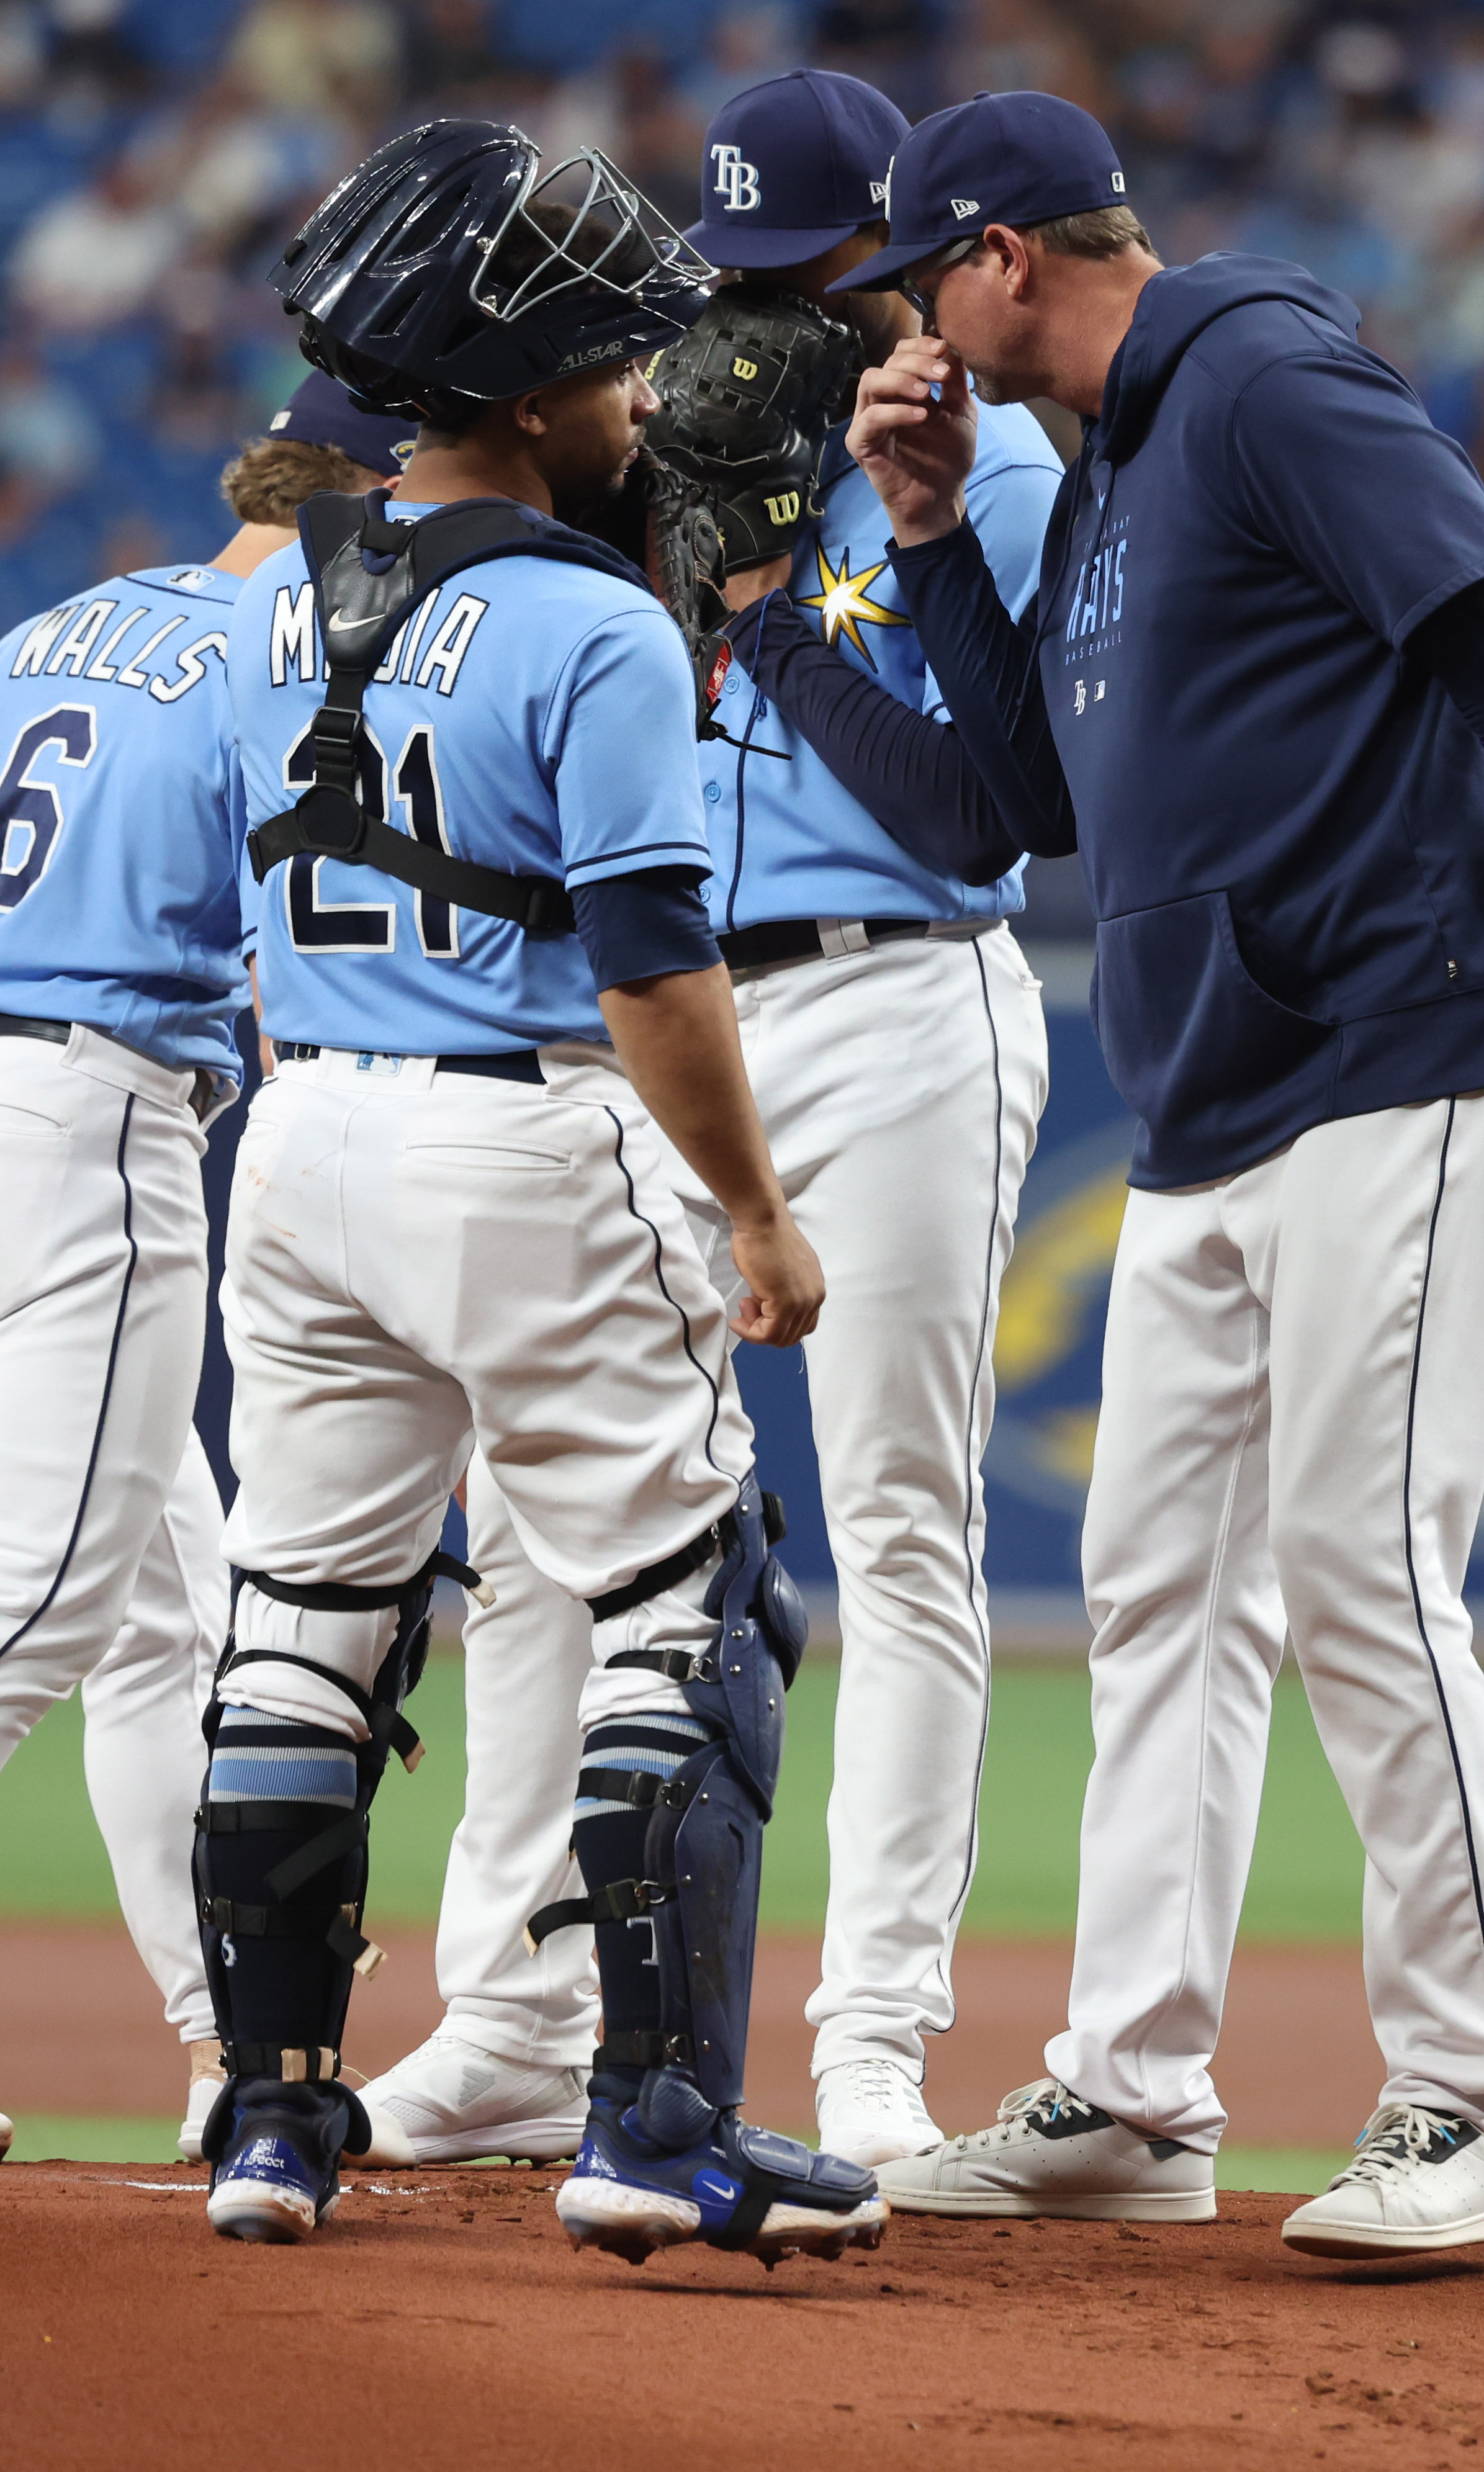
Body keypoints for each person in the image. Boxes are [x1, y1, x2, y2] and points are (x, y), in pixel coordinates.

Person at [834, 86, 1484, 2257]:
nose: (911, 324)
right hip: (1213, 1100)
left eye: (924, 276)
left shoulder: (1263, 375)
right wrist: (912, 541)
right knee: (1156, 1599)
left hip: (1403, 1035)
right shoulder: (1104, 475)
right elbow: (1022, 803)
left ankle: (1470, 2109)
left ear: (1003, 257)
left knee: (1365, 1566)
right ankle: (1135, 2091)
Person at [356, 66, 1059, 2175]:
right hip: (669, 1031)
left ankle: (868, 2042)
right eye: (730, 279)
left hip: (904, 988)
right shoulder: (650, 467)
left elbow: (990, 817)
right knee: (563, 1514)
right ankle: (509, 2016)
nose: (761, 322)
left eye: (814, 278)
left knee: (902, 1530)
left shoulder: (987, 472)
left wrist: (768, 600)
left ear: (908, 273)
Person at [204, 119, 885, 2265]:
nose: (632, 400)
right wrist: (759, 1212)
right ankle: (656, 2120)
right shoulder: (589, 620)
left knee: (303, 1627)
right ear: (518, 396)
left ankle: (270, 2123)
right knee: (693, 1607)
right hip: (515, 1119)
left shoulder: (263, 607)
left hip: (297, 1140)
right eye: (606, 368)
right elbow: (657, 961)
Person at [0, 371, 411, 2169]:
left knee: (166, 1605)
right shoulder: (302, 640)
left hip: (30, 1087)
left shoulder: (62, 621)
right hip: (87, 1117)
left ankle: (217, 2043)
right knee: (46, 1601)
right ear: (371, 501)